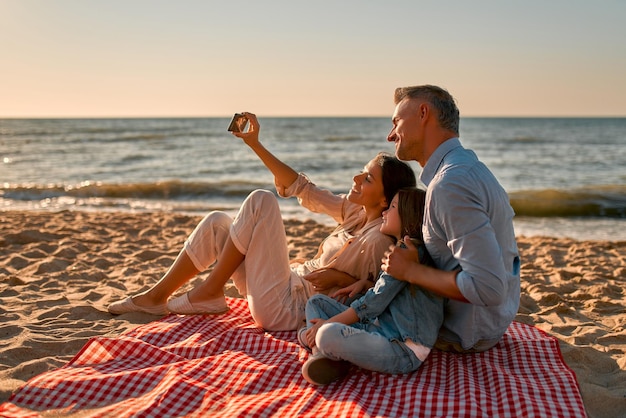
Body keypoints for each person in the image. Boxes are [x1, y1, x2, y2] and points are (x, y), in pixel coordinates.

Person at [108, 113, 417, 331]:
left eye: (368, 178)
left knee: (261, 200)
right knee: (218, 223)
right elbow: (301, 188)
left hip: (290, 309)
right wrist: (254, 143)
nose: (356, 178)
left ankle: (211, 290)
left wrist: (356, 282)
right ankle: (156, 297)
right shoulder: (355, 212)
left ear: (385, 199)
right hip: (283, 287)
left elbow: (385, 294)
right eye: (362, 172)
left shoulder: (379, 240)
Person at [384, 85, 521, 353]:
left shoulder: (451, 183)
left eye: (396, 122)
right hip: (488, 323)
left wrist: (410, 271)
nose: (391, 135)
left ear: (423, 113)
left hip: (466, 333)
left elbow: (488, 288)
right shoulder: (464, 169)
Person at [298, 187, 444, 386]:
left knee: (325, 333)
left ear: (408, 217)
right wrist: (367, 284)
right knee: (317, 303)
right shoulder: (403, 250)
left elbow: (372, 304)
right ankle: (323, 356)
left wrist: (327, 324)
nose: (384, 212)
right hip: (377, 327)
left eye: (392, 208)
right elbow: (390, 292)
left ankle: (321, 349)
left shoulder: (408, 253)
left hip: (402, 348)